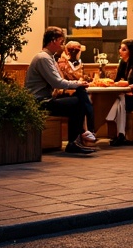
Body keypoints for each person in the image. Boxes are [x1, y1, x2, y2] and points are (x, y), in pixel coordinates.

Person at [25, 27, 98, 155]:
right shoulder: (43, 58)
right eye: (61, 41)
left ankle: (82, 135)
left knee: (80, 95)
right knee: (78, 101)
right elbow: (57, 82)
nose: (62, 45)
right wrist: (77, 83)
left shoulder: (50, 57)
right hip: (39, 102)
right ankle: (84, 134)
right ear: (53, 41)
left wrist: (77, 84)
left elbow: (60, 80)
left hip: (47, 99)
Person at [107, 38, 133, 146]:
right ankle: (121, 134)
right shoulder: (123, 63)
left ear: (131, 51)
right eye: (120, 49)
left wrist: (125, 84)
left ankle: (117, 131)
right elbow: (117, 80)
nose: (120, 51)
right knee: (121, 99)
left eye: (124, 49)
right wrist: (122, 83)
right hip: (127, 98)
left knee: (121, 99)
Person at [56, 41, 98, 146]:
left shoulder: (79, 63)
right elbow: (62, 82)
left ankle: (87, 131)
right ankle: (89, 130)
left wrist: (85, 79)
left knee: (83, 96)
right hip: (63, 93)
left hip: (76, 91)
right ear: (73, 51)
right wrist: (79, 81)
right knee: (83, 98)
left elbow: (81, 77)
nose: (80, 53)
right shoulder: (61, 63)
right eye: (78, 51)